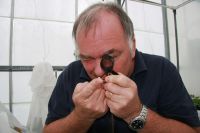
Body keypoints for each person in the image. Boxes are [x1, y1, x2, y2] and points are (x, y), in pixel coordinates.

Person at [43, 2, 200, 133]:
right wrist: (81, 116)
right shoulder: (70, 74)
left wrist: (136, 113)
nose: (98, 71)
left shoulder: (162, 70)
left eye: (110, 56)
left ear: (132, 46)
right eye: (87, 58)